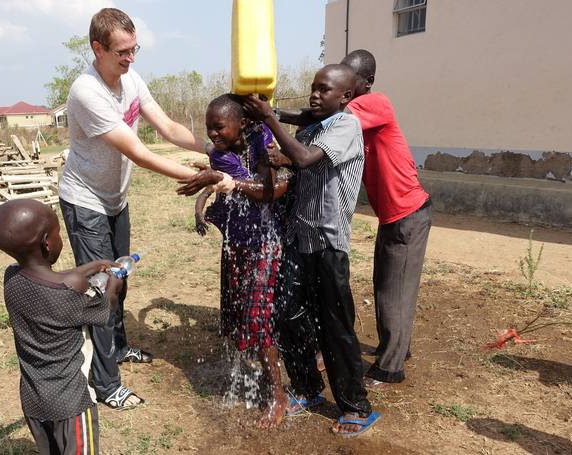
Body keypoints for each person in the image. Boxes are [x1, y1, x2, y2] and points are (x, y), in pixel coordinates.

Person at [58, 8, 230, 410]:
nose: (131, 58)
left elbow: (167, 127)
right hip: (86, 201)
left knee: (122, 276)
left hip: (116, 198)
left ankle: (117, 348)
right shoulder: (87, 92)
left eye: (135, 49)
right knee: (103, 290)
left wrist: (213, 151)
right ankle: (105, 383)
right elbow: (140, 151)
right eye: (122, 51)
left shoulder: (131, 79)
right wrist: (203, 177)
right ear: (97, 48)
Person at [243, 64, 381, 437]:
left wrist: (270, 117)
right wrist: (260, 106)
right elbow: (300, 119)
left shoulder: (346, 125)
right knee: (288, 316)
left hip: (329, 244)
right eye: (313, 88)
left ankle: (356, 406)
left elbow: (304, 159)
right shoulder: (317, 123)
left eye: (325, 90)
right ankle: (307, 388)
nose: (315, 95)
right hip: (300, 240)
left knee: (336, 327)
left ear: (347, 97)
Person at [0, 199, 123, 455]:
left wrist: (89, 268)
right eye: (58, 232)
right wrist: (114, 283)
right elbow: (105, 309)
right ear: (47, 243)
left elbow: (56, 280)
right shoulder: (67, 297)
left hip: (33, 399)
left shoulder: (11, 279)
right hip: (72, 404)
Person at [193, 94, 291, 428]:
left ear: (243, 123)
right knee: (239, 317)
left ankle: (279, 394)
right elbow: (220, 183)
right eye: (209, 128)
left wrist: (224, 182)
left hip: (265, 245)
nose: (212, 134)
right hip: (237, 244)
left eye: (218, 127)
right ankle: (251, 375)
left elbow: (272, 190)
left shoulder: (266, 143)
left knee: (257, 319)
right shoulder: (222, 154)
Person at [340, 49, 432, 385]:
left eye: (350, 81)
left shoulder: (377, 104)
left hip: (408, 214)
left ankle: (391, 367)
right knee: (384, 285)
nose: (343, 87)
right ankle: (396, 346)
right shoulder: (354, 120)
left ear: (367, 83)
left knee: (397, 292)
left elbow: (328, 114)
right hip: (392, 216)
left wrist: (274, 114)